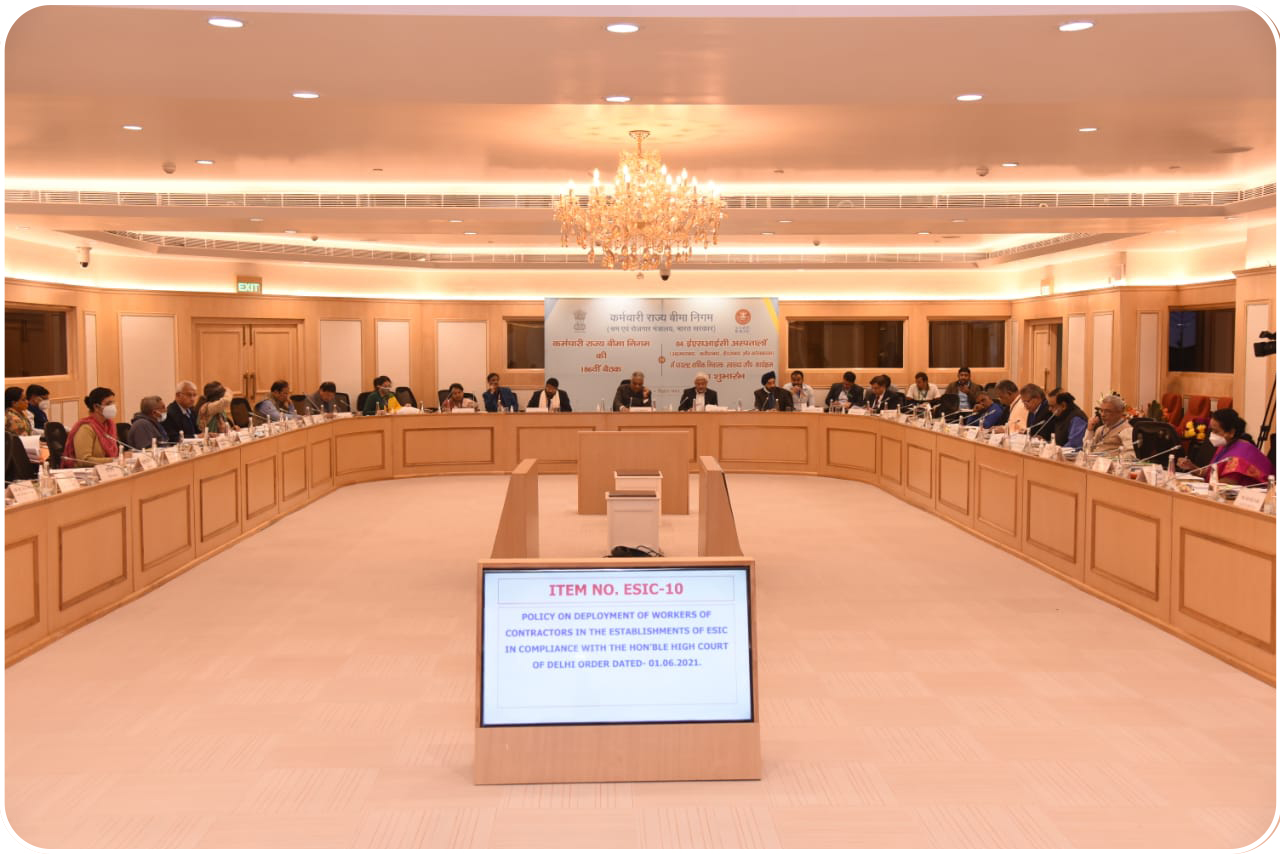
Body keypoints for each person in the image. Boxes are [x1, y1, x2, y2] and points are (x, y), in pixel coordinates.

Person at [1178, 408, 1274, 485]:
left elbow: (1225, 485)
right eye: (1211, 430)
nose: (1211, 434)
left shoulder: (1240, 454)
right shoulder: (1226, 445)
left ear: (1231, 433)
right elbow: (1210, 473)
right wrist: (1191, 466)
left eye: (1216, 431)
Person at [64, 386, 120, 466]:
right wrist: (114, 460)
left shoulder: (109, 426)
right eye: (108, 404)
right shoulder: (85, 429)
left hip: (107, 469)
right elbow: (84, 460)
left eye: (113, 403)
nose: (113, 406)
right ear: (96, 407)